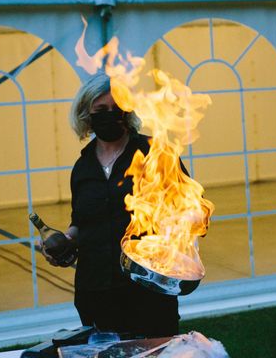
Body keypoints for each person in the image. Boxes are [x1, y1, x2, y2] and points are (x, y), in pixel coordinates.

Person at [43, 72, 180, 338]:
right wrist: (66, 240)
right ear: (87, 114)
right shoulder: (82, 168)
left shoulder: (155, 155)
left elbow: (190, 211)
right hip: (95, 292)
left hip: (147, 293)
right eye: (101, 109)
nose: (110, 114)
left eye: (117, 108)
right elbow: (82, 222)